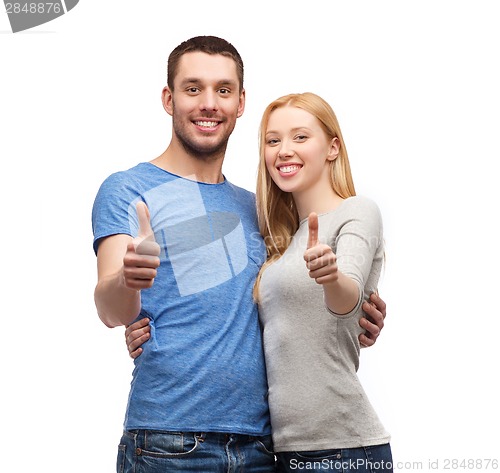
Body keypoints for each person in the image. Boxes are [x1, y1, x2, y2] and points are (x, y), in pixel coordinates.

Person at [93, 35, 386, 473]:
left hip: (263, 447)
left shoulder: (262, 209)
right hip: (168, 442)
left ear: (240, 102)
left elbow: (297, 297)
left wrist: (362, 307)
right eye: (193, 89)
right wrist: (127, 281)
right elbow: (111, 308)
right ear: (168, 98)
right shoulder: (128, 190)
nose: (208, 103)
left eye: (223, 90)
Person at [254, 92, 392, 472]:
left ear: (332, 148)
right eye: (273, 140)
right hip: (281, 451)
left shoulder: (357, 211)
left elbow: (346, 297)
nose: (284, 150)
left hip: (343, 451)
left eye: (300, 137)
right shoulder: (279, 240)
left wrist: (331, 277)